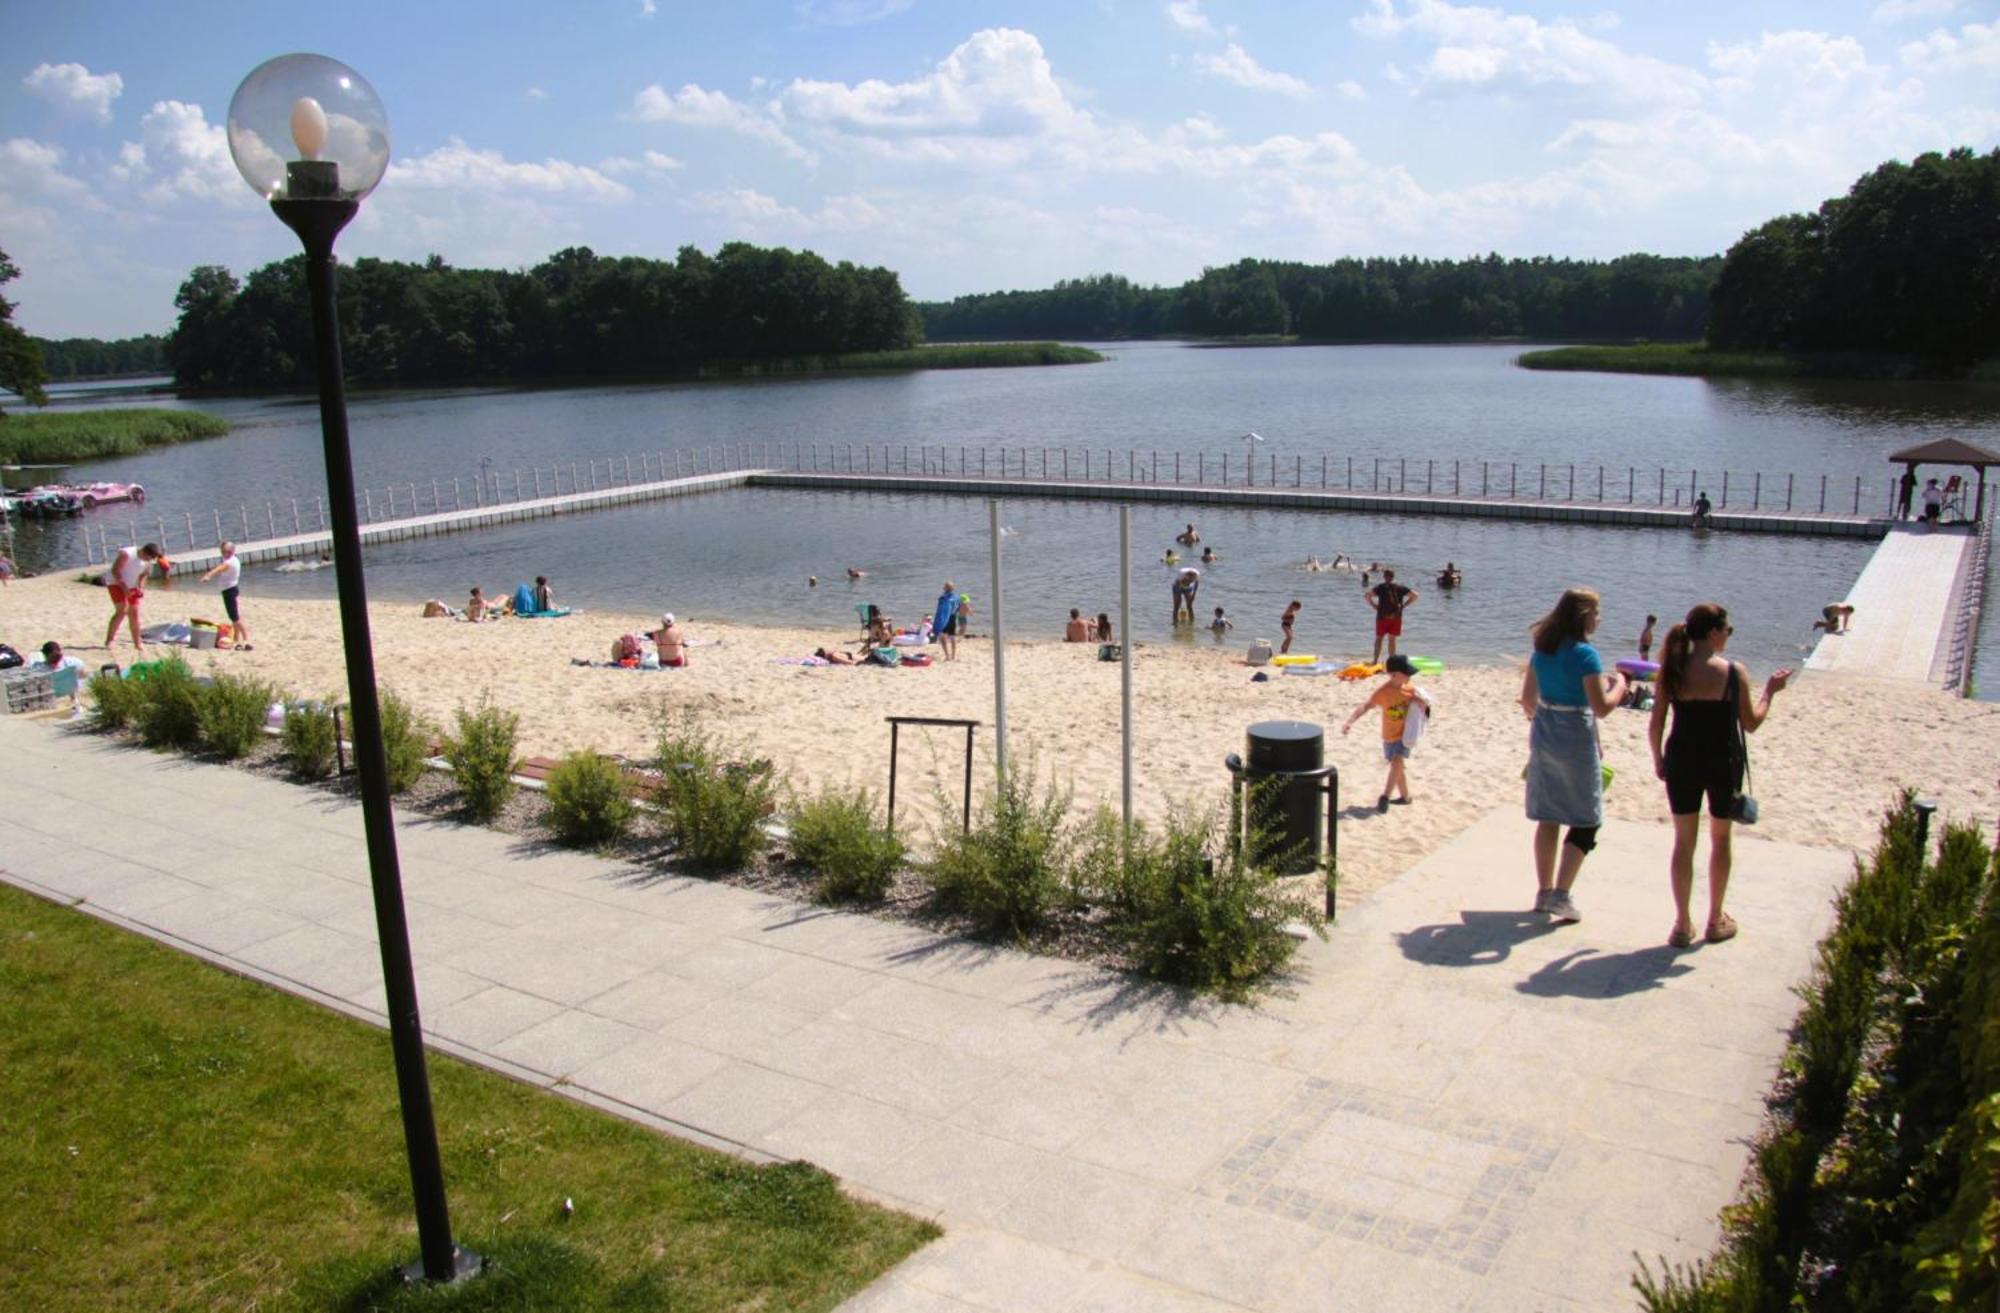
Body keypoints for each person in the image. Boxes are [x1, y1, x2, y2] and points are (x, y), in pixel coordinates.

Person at [1649, 603, 1791, 948]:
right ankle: (1715, 919)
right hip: (1722, 761)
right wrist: (1769, 692)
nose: (1728, 635)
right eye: (1728, 630)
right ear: (1713, 632)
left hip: (1681, 756)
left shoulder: (1674, 668)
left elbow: (1656, 723)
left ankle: (1682, 924)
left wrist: (1658, 759)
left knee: (1684, 843)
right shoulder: (1732, 672)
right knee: (1721, 839)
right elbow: (1751, 723)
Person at [1520, 587, 1627, 924]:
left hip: (1545, 729)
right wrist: (1620, 686)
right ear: (1583, 616)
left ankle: (1543, 890)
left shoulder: (1543, 649)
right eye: (1596, 612)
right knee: (1587, 817)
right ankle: (1561, 896)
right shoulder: (1585, 655)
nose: (1600, 618)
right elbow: (1601, 708)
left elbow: (1527, 700)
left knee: (1548, 814)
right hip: (1574, 733)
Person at [1344, 654, 1429, 811]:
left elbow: (1423, 707)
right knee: (1398, 768)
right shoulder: (1383, 692)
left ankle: (1385, 796)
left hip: (1404, 736)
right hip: (1388, 736)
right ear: (1394, 675)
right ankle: (1406, 797)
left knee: (1397, 762)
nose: (1410, 676)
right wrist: (1350, 722)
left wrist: (1421, 702)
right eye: (1407, 673)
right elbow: (1366, 706)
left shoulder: (1410, 690)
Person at [103, 542, 164, 652]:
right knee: (122, 610)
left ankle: (137, 643)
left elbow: (144, 574)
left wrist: (140, 586)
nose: (150, 560)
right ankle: (110, 640)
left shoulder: (148, 561)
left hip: (132, 585)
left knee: (134, 613)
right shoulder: (127, 554)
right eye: (149, 558)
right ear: (144, 553)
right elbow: (116, 571)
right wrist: (125, 589)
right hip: (116, 583)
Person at [199, 541, 252, 650]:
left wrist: (208, 576)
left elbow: (219, 569)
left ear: (231, 551)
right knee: (233, 618)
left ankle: (246, 640)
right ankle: (237, 641)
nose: (224, 554)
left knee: (235, 617)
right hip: (231, 589)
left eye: (226, 552)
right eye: (222, 552)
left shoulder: (230, 562)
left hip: (230, 591)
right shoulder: (233, 559)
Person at [1366, 569, 1417, 664]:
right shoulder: (1400, 587)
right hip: (1396, 617)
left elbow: (1367, 596)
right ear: (1393, 577)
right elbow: (1415, 596)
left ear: (1384, 577)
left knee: (1379, 638)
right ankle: (1391, 662)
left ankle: (1375, 661)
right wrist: (1404, 605)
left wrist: (1374, 606)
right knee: (1392, 640)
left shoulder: (1380, 587)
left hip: (1382, 616)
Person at [933, 582, 960, 661]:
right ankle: (953, 656)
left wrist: (937, 622)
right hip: (953, 617)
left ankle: (947, 656)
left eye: (944, 587)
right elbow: (958, 609)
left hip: (945, 618)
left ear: (946, 588)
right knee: (952, 636)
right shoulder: (957, 597)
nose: (943, 588)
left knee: (942, 637)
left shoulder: (943, 598)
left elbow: (940, 610)